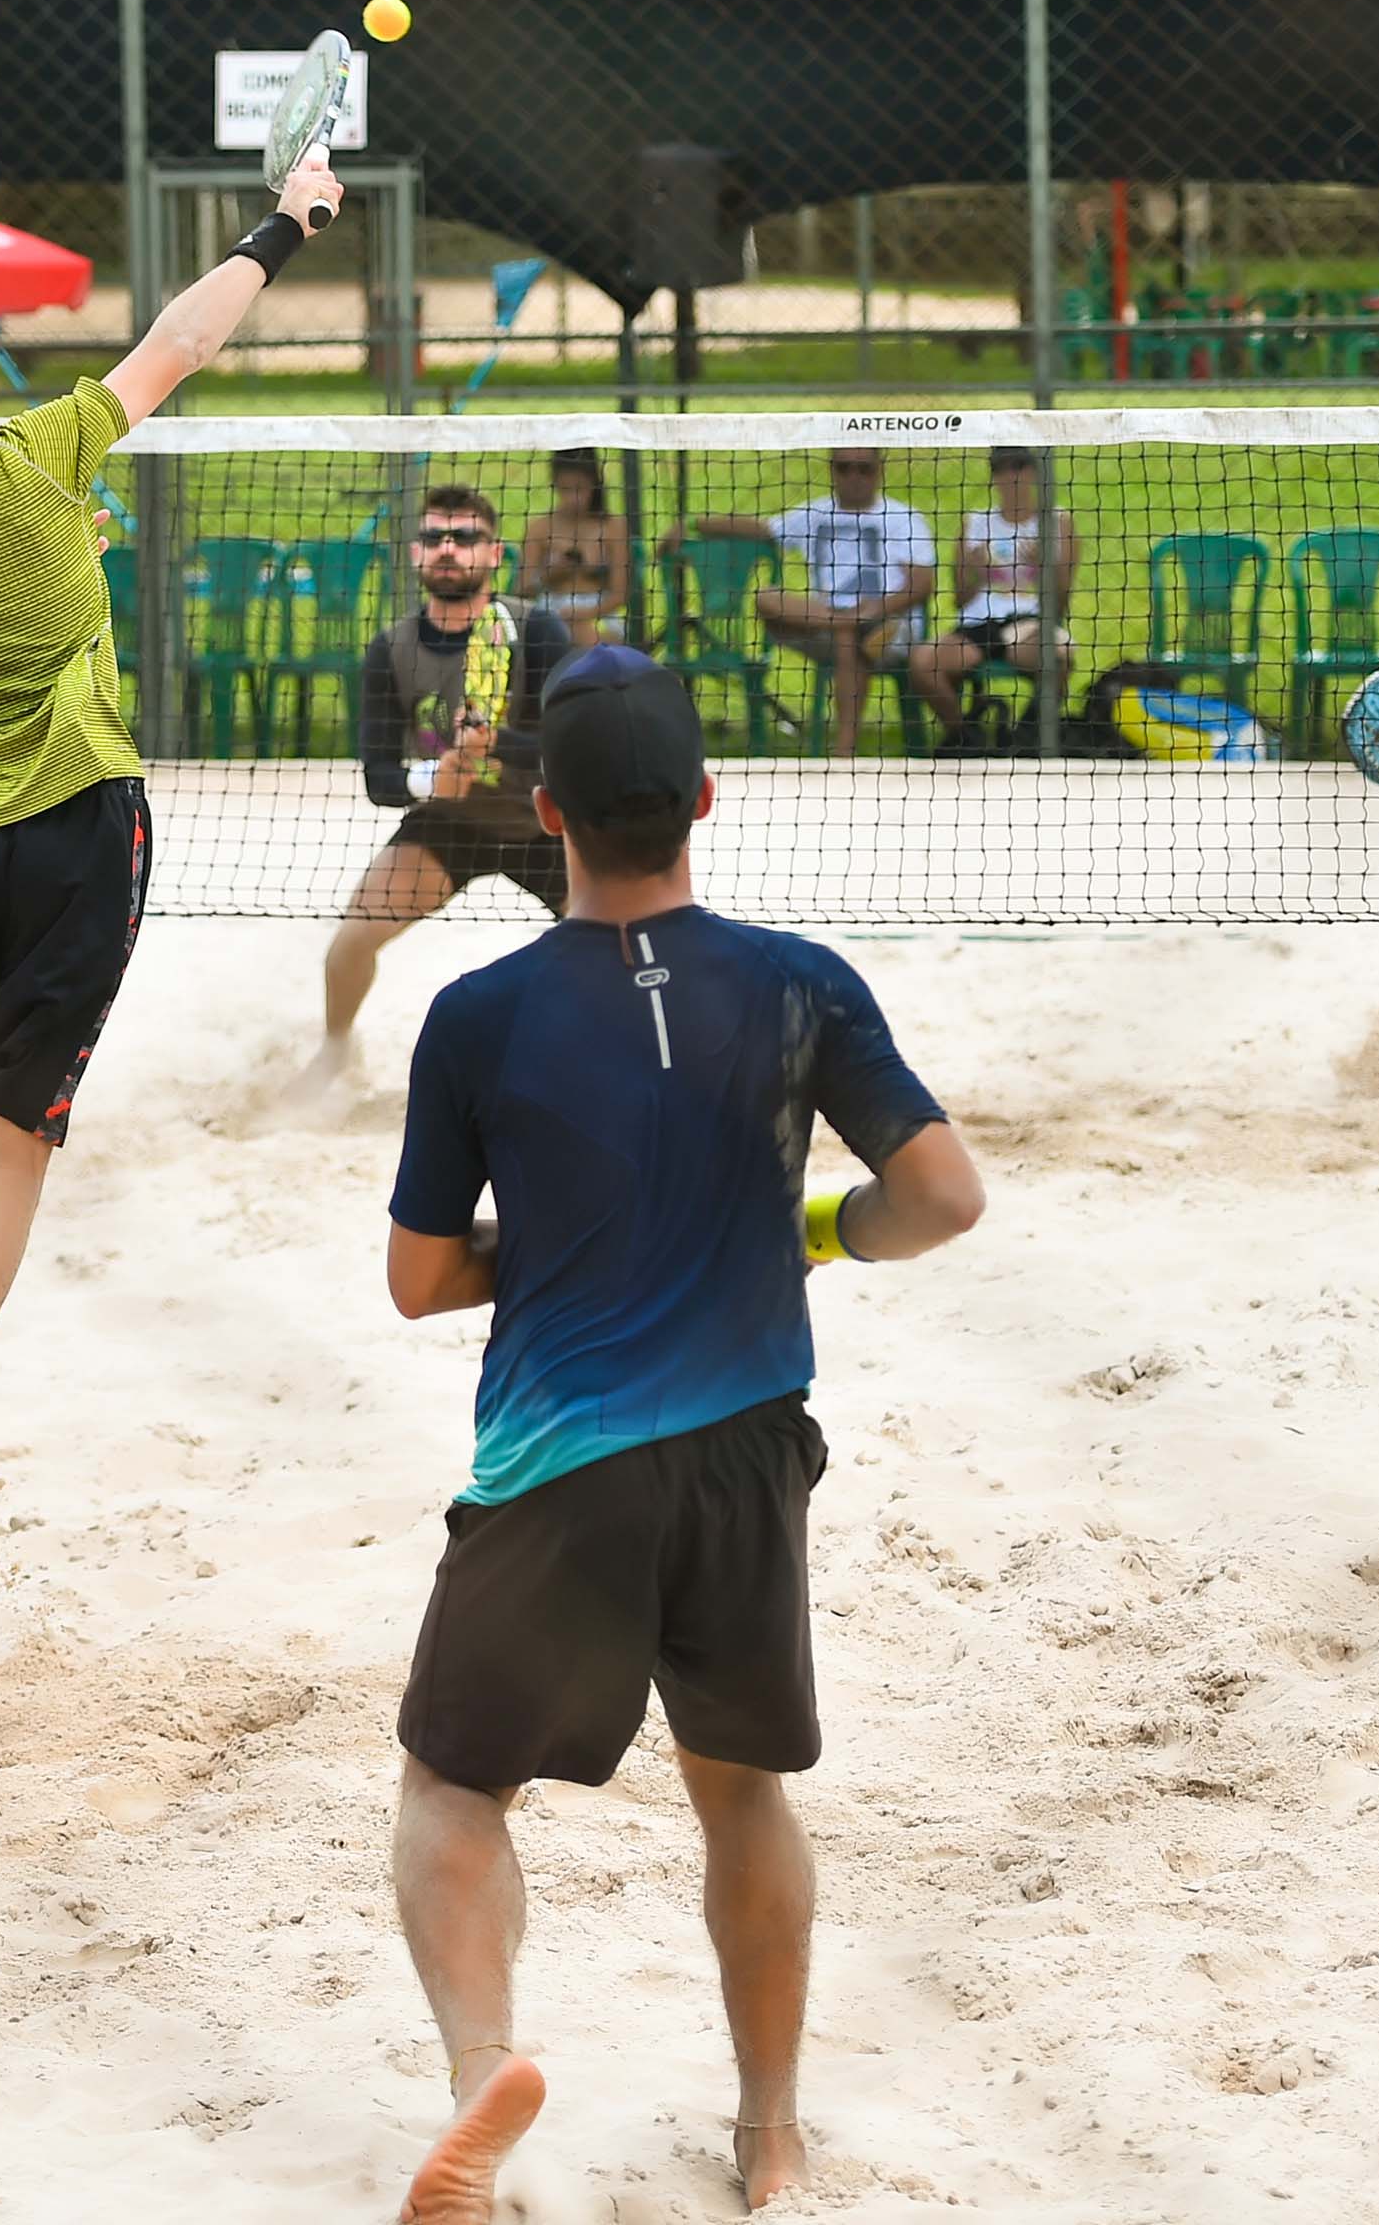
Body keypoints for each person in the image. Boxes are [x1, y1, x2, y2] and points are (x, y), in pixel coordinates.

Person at [378, 643, 984, 2221]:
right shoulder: (797, 984)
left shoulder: (478, 1011)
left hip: (557, 1468)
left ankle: (479, 2101)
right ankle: (771, 2138)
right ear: (705, 801)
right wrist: (811, 1232)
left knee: (452, 1796)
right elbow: (943, 1197)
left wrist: (574, 1242)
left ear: (543, 812)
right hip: (742, 1456)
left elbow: (419, 1280)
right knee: (742, 1794)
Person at [0, 146, 343, 1556]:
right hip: (77, 837)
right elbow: (183, 334)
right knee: (14, 1145)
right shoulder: (54, 456)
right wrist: (286, 220)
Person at [310, 483, 579, 1071]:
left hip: (544, 821)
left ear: (495, 554)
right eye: (435, 537)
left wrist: (497, 745)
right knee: (350, 942)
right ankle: (335, 1052)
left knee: (619, 943)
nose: (449, 549)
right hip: (451, 823)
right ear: (415, 553)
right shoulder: (391, 648)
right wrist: (434, 779)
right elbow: (380, 777)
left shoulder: (537, 632)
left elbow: (573, 745)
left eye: (465, 538)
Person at [688, 446, 935, 759]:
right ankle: (848, 625)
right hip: (825, 622)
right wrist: (695, 525)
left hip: (891, 629)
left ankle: (844, 751)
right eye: (845, 468)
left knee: (850, 639)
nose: (854, 477)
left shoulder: (904, 519)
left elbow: (923, 585)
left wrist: (877, 610)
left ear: (879, 470)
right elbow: (762, 528)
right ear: (832, 470)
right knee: (768, 598)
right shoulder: (814, 514)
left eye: (864, 469)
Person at [909, 445, 1078, 746]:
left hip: (1028, 625)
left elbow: (1061, 600)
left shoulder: (1057, 522)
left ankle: (1024, 738)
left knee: (1060, 656)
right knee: (923, 663)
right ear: (993, 476)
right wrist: (973, 572)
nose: (1011, 475)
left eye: (1020, 465)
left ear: (1035, 471)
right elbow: (960, 598)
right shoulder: (975, 523)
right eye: (1001, 467)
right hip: (978, 623)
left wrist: (1045, 566)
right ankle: (966, 737)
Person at [516, 447, 632, 648]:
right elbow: (521, 590)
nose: (573, 499)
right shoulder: (540, 528)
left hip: (600, 614)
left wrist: (580, 614)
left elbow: (619, 595)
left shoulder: (614, 527)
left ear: (594, 484)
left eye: (580, 488)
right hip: (550, 611)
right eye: (565, 489)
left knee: (588, 635)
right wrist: (551, 575)